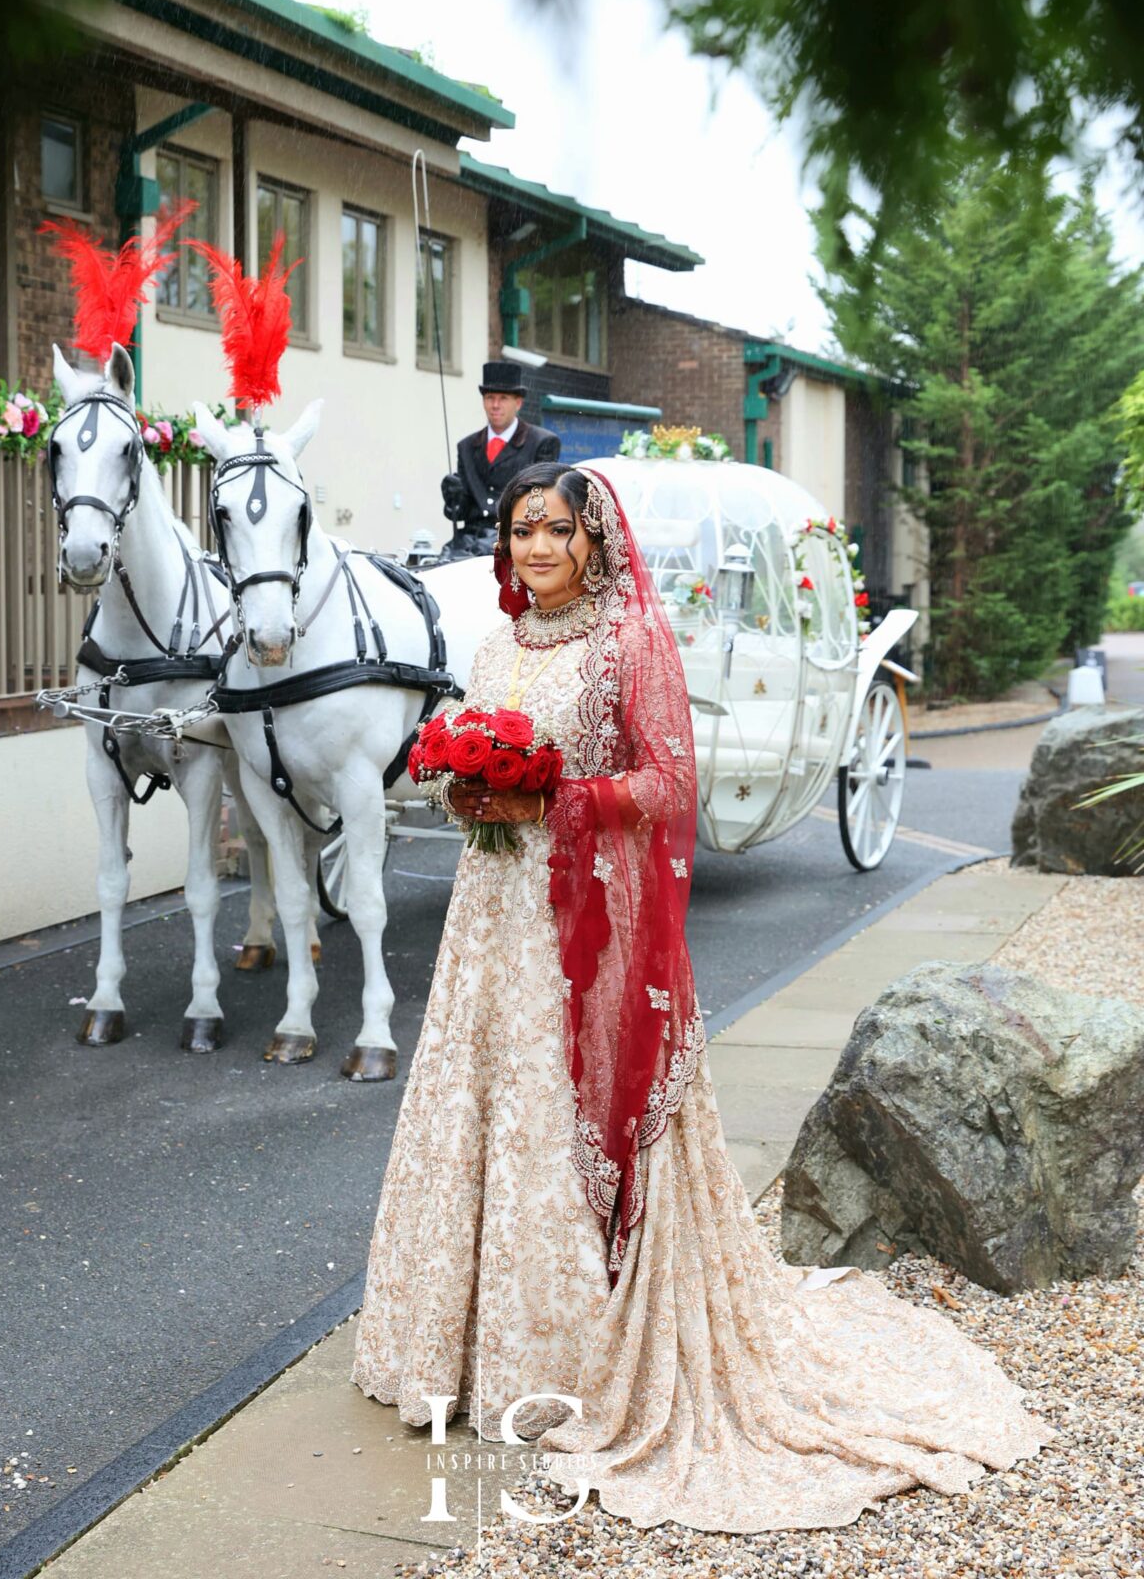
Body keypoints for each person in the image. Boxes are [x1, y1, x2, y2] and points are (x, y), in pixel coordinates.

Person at [350, 459, 1054, 1533]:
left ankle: (573, 1356)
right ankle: (452, 1342)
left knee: (556, 1118)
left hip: (575, 930)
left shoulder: (627, 643)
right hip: (486, 924)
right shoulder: (492, 646)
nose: (537, 548)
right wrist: (465, 785)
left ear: (595, 543)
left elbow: (668, 783)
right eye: (521, 530)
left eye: (557, 531)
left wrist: (555, 793)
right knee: (473, 1110)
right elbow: (464, 786)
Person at [440, 359, 559, 556]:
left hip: (514, 537)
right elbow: (461, 513)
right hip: (468, 539)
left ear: (518, 403)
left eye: (503, 398)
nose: (495, 405)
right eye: (489, 397)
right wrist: (454, 498)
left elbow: (541, 506)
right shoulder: (467, 447)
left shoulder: (542, 443)